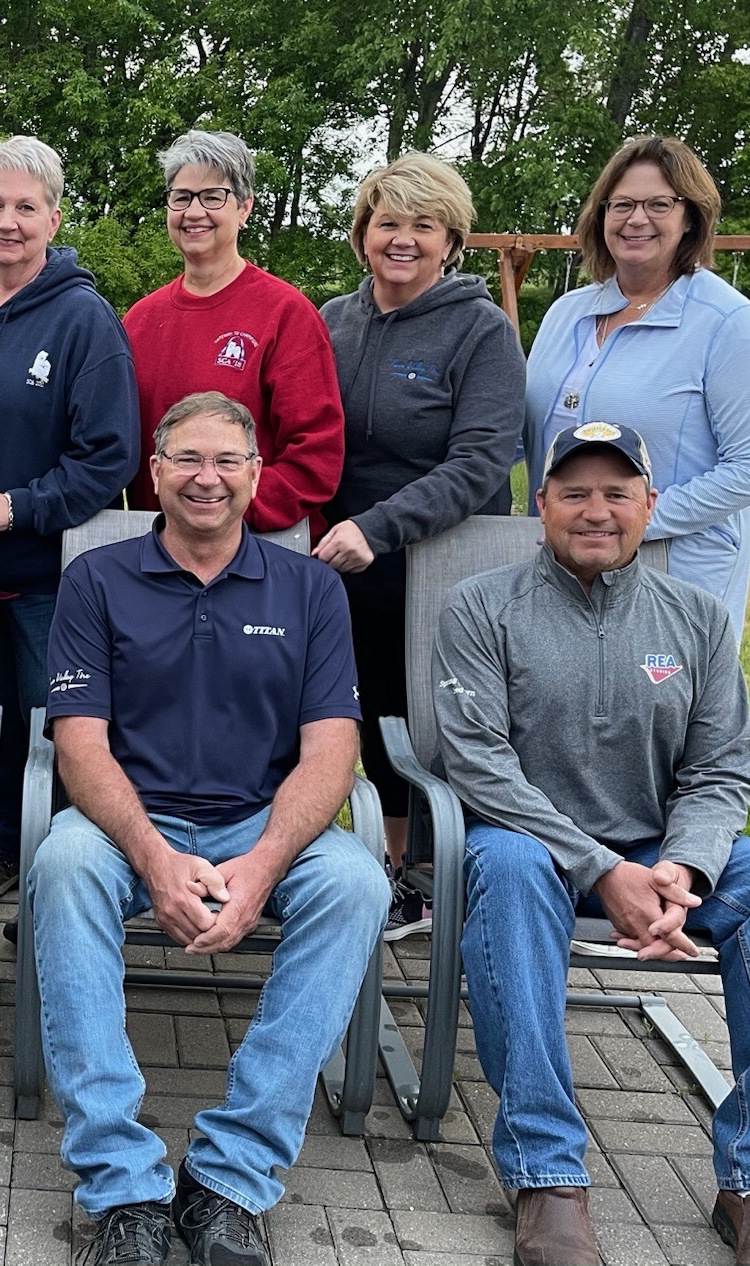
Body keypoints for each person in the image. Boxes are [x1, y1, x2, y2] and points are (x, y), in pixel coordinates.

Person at [434, 421, 750, 1266]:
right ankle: (547, 1174)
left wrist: (681, 867)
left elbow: (722, 767)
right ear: (542, 506)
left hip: (659, 847)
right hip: (530, 844)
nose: (595, 510)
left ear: (648, 505)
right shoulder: (481, 607)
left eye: (615, 493)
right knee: (508, 862)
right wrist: (604, 871)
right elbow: (479, 764)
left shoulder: (699, 621)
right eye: (573, 492)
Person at [28, 392, 387, 1266]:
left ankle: (230, 1178)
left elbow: (332, 752)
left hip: (262, 820)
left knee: (356, 882)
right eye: (187, 459)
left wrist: (262, 867)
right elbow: (79, 746)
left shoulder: (308, 588)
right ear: (154, 473)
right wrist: (153, 858)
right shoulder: (96, 580)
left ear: (257, 477)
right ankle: (124, 1187)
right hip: (128, 819)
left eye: (228, 461)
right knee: (64, 862)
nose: (207, 478)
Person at [0, 135, 138, 903]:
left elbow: (109, 456)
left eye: (25, 207)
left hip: (48, 576)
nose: (7, 222)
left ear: (53, 216)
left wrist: (16, 508)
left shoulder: (84, 320)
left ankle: (64, 877)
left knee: (58, 733)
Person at [317, 152, 526, 938]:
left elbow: (480, 462)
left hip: (438, 563)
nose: (402, 239)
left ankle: (438, 874)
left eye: (423, 226)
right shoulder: (333, 319)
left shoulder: (480, 331)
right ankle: (390, 867)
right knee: (367, 715)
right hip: (341, 563)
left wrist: (379, 528)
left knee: (436, 724)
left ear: (451, 242)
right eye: (388, 221)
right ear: (363, 231)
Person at [523, 135, 750, 644]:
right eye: (621, 204)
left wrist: (638, 519)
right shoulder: (566, 313)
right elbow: (530, 428)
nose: (636, 219)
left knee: (663, 715)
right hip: (564, 562)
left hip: (675, 567)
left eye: (658, 204)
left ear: (691, 216)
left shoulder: (727, 323)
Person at [124, 129, 344, 541]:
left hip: (257, 547)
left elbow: (316, 455)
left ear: (244, 208)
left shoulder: (285, 314)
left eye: (213, 197)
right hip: (158, 552)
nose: (194, 212)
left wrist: (219, 515)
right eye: (182, 197)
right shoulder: (139, 320)